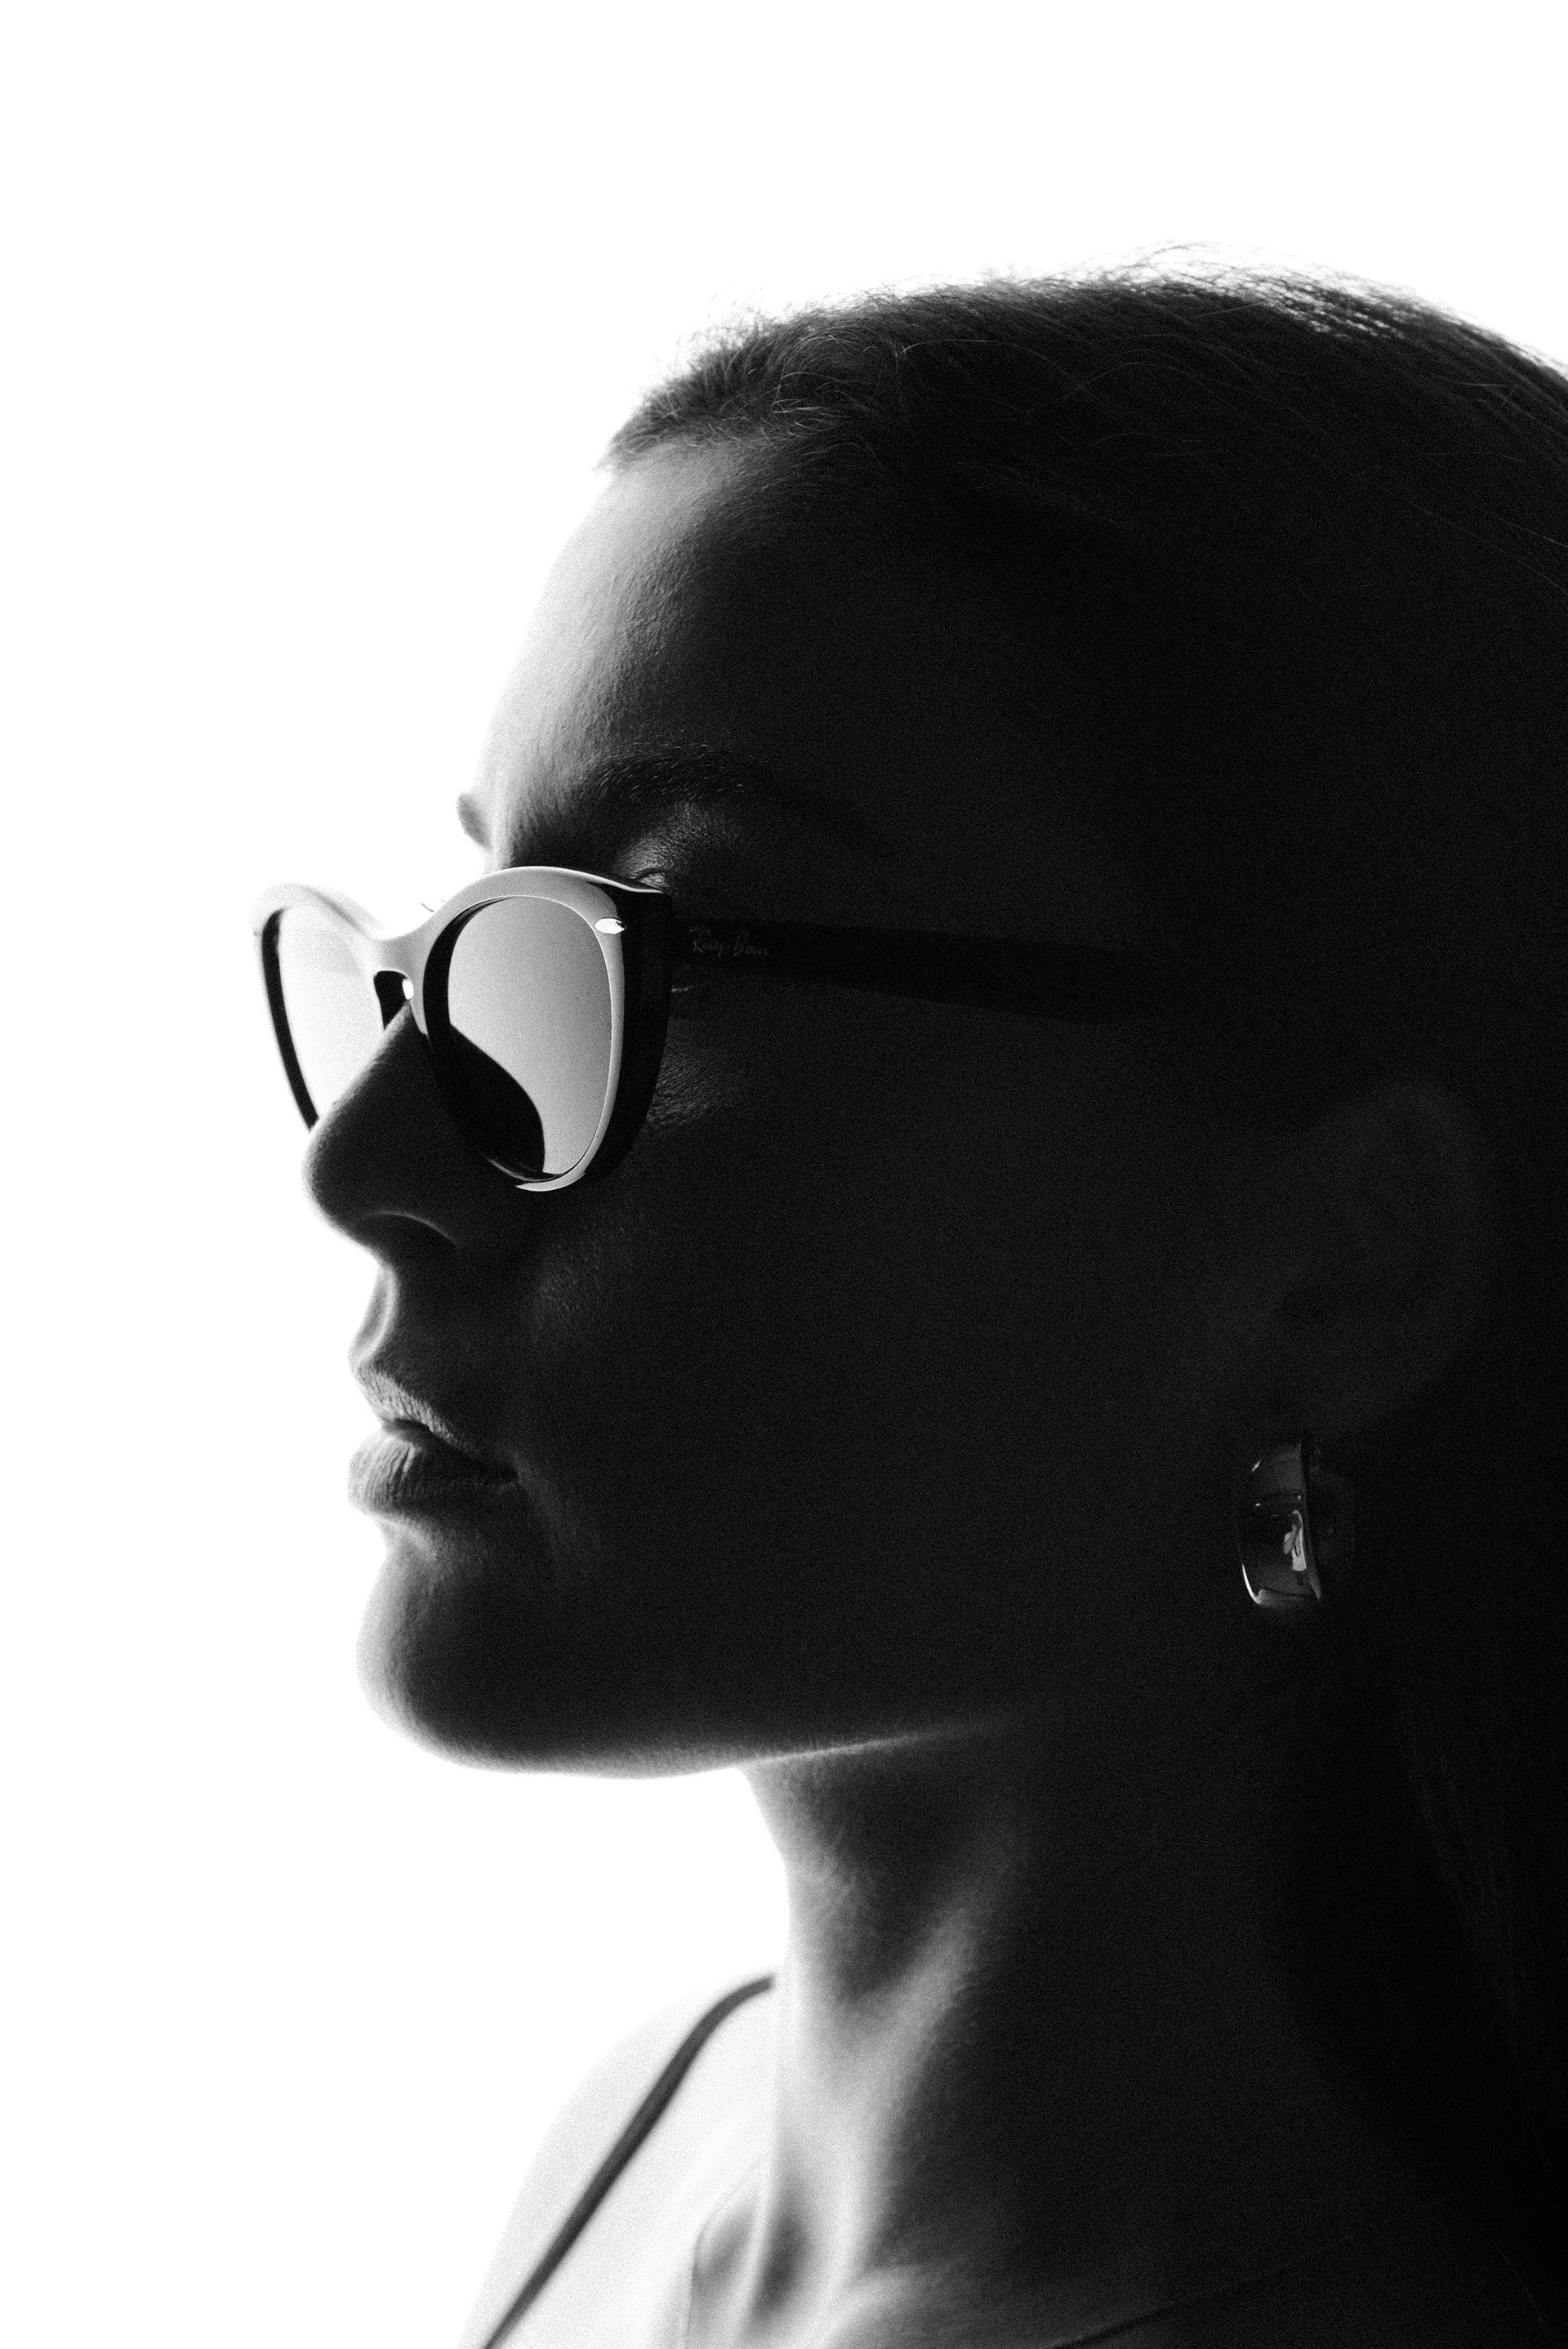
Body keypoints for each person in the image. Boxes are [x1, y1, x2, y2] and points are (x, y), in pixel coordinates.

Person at [255, 266, 1568, 2346]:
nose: (364, 1162)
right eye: (459, 943)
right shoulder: (647, 2134)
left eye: (661, 950)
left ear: (1343, 1261)